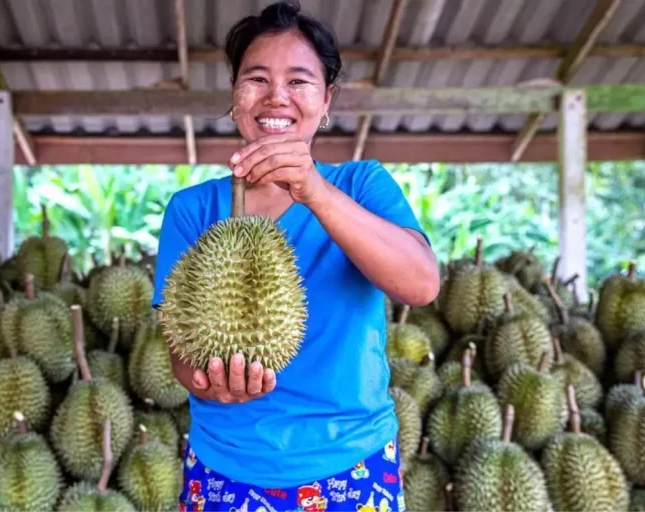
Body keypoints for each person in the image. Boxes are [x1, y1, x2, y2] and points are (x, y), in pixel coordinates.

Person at [152, 1, 439, 510]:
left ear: (326, 100)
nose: (276, 97)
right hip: (225, 465)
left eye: (299, 81)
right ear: (235, 95)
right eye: (256, 79)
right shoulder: (192, 210)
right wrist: (206, 382)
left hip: (350, 463)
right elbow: (178, 345)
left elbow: (420, 284)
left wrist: (316, 191)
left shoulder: (362, 185)